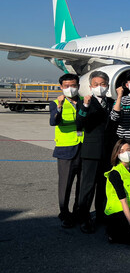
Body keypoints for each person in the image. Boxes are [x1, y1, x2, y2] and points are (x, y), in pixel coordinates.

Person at [75, 70, 116, 233]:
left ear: (107, 85)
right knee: (87, 186)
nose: (100, 87)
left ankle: (101, 215)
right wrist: (84, 106)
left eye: (103, 84)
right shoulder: (85, 102)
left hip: (107, 151)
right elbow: (80, 123)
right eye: (96, 85)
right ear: (90, 86)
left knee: (104, 186)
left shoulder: (113, 102)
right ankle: (83, 217)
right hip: (91, 151)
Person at [49, 73, 83, 228]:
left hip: (84, 149)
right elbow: (53, 121)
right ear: (61, 87)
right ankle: (64, 213)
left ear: (78, 86)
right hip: (66, 150)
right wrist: (60, 106)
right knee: (65, 184)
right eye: (67, 86)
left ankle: (78, 212)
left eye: (73, 85)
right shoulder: (55, 103)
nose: (70, 88)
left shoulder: (85, 101)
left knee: (82, 185)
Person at [104, 139, 130, 244]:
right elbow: (123, 201)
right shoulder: (115, 173)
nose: (126, 153)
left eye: (128, 149)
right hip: (119, 209)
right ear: (116, 153)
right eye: (122, 151)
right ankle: (112, 232)